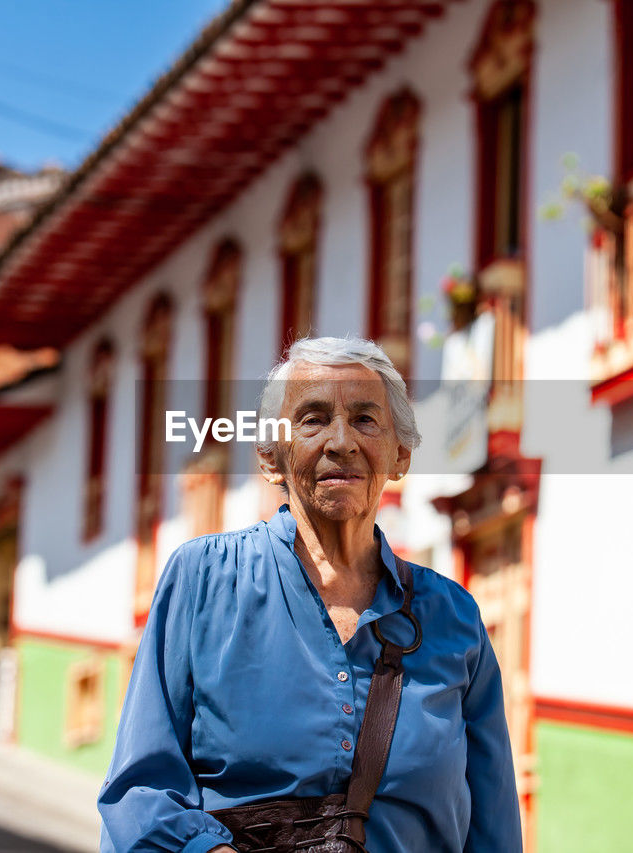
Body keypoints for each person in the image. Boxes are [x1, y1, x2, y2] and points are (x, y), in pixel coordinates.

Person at [97, 336, 522, 853]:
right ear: (272, 457)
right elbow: (140, 793)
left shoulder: (453, 618)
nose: (341, 441)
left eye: (366, 420)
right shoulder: (204, 579)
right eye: (313, 419)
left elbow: (493, 826)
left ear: (400, 456)